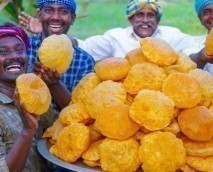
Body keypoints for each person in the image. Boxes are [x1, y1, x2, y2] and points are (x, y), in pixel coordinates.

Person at [19, 0, 192, 62]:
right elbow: (83, 46)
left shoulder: (172, 35)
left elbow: (193, 48)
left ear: (158, 20)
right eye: (139, 15)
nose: (145, 20)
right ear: (130, 19)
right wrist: (49, 32)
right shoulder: (116, 36)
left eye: (150, 16)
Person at [0, 23, 57, 172]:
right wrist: (27, 130)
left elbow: (62, 126)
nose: (14, 56)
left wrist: (55, 85)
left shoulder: (32, 97)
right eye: (3, 52)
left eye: (20, 50)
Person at [28, 0, 95, 110]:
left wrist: (55, 85)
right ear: (39, 15)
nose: (55, 17)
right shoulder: (23, 49)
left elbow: (80, 111)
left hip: (62, 126)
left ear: (72, 18)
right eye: (49, 10)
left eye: (63, 12)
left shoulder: (84, 60)